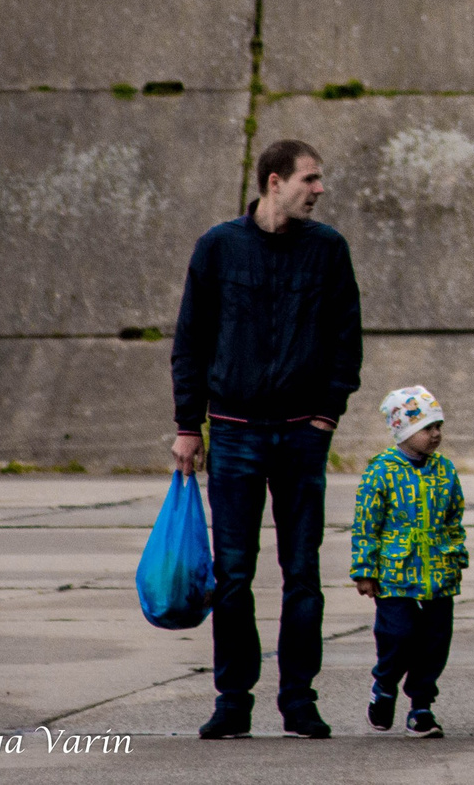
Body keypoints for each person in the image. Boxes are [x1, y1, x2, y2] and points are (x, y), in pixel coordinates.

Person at [169, 138, 362, 741]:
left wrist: (327, 414)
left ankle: (299, 699)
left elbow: (345, 340)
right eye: (310, 178)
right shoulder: (219, 248)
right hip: (233, 434)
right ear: (274, 182)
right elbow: (191, 340)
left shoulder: (328, 250)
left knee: (302, 572)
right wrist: (186, 424)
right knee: (233, 574)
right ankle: (233, 700)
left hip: (303, 435)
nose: (320, 189)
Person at [352, 386, 467, 737]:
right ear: (402, 430)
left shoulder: (445, 471)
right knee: (398, 636)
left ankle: (421, 707)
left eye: (438, 427)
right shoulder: (381, 471)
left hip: (438, 575)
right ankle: (384, 686)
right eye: (426, 428)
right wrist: (365, 570)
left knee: (435, 642)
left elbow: (453, 517)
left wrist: (456, 554)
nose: (435, 434)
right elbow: (366, 525)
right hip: (395, 576)